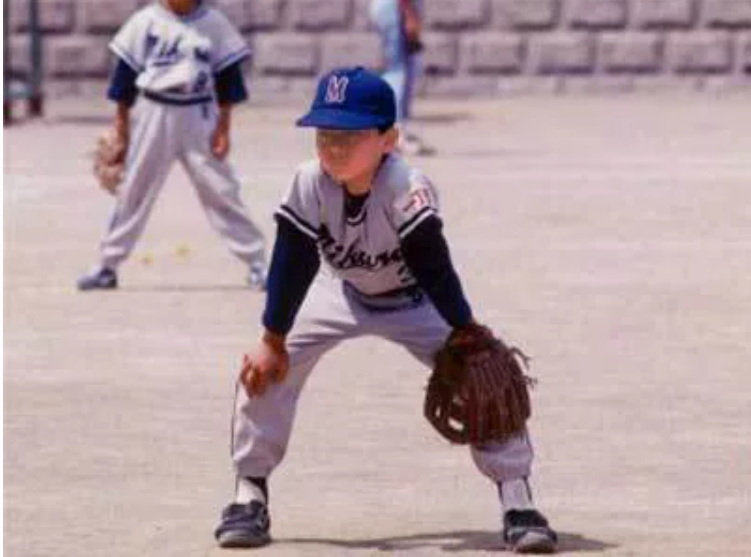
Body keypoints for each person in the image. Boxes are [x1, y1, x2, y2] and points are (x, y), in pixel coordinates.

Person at [213, 67, 557, 553]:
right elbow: (293, 256)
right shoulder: (309, 181)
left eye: (349, 135)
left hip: (416, 298)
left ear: (388, 140)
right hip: (341, 292)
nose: (333, 147)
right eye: (325, 134)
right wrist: (272, 336)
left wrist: (464, 327)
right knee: (266, 367)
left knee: (481, 374)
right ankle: (249, 494)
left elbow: (432, 263)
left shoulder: (405, 184)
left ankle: (518, 500)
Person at [77, 0, 267, 291]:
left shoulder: (214, 23)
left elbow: (229, 81)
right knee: (134, 189)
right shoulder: (145, 22)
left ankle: (257, 262)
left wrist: (224, 129)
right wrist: (121, 129)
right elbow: (122, 84)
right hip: (154, 110)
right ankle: (107, 264)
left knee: (220, 188)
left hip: (199, 112)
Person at [369, 0, 431, 156]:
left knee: (402, 66)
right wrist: (409, 13)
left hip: (393, 8)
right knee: (397, 70)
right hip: (397, 8)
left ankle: (397, 130)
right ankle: (394, 133)